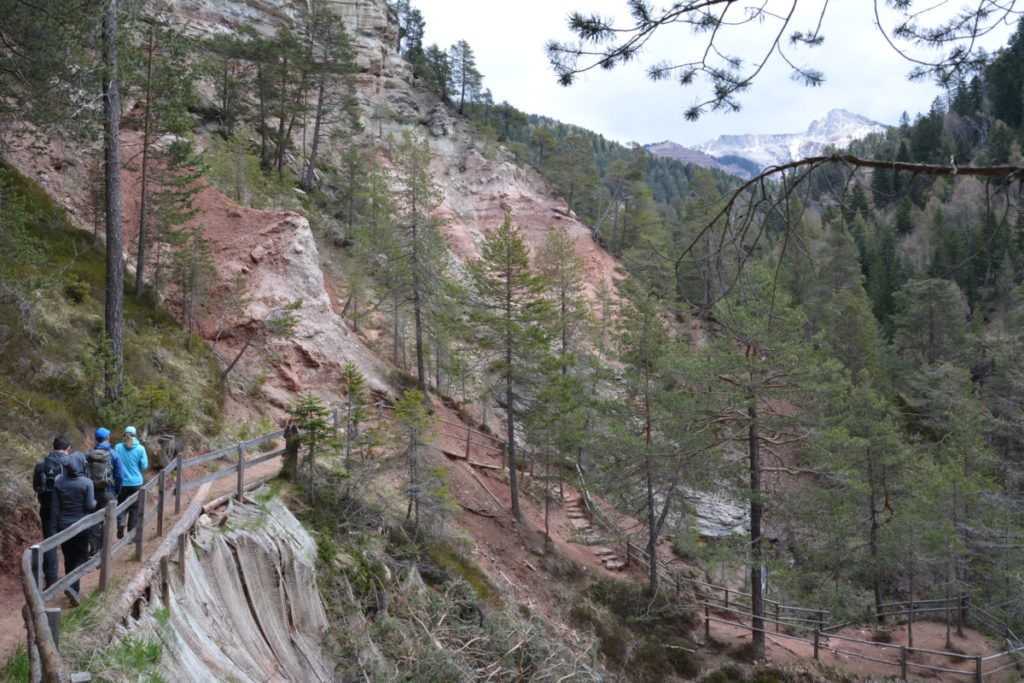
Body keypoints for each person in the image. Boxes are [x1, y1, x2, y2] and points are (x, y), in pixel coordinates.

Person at [53, 454, 95, 597]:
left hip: (63, 526)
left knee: (68, 557)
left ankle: (71, 587)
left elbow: (55, 508)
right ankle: (73, 588)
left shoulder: (58, 483)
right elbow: (90, 505)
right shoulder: (87, 483)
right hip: (81, 525)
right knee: (82, 556)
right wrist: (95, 503)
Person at [31, 437, 70, 588]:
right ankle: (70, 580)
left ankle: (51, 580)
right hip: (67, 509)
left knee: (49, 543)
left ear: (53, 447)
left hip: (47, 508)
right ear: (68, 448)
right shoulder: (70, 463)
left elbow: (36, 485)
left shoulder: (41, 464)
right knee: (69, 542)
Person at [87, 427, 122, 555]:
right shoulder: (113, 454)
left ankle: (94, 548)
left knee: (94, 520)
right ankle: (105, 548)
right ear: (107, 438)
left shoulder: (89, 454)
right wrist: (117, 491)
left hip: (92, 492)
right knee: (109, 519)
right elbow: (119, 475)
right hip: (109, 491)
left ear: (96, 439)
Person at [115, 426, 147, 539]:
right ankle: (131, 535)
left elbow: (114, 464)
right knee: (134, 509)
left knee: (120, 504)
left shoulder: (118, 447)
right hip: (136, 483)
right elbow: (144, 465)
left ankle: (121, 522)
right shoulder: (140, 449)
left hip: (121, 483)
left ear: (124, 434)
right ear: (135, 435)